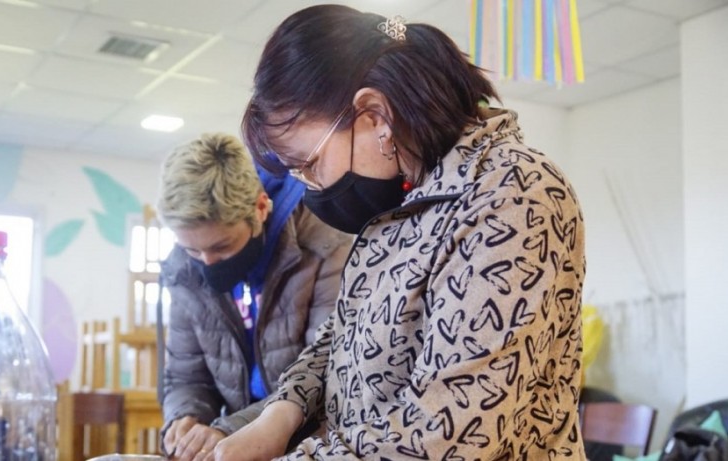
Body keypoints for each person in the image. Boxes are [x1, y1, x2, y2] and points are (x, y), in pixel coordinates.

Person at [213, 5, 587, 460]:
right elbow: (344, 336)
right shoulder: (403, 203)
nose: (309, 186)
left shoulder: (513, 193)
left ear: (375, 116)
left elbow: (449, 432)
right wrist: (283, 411)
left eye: (309, 164)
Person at [155, 133, 351, 460]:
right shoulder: (184, 272)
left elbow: (325, 377)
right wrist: (185, 418)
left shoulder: (323, 247)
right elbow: (186, 376)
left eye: (221, 246)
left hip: (313, 445)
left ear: (260, 208)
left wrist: (229, 429)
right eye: (191, 249)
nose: (207, 262)